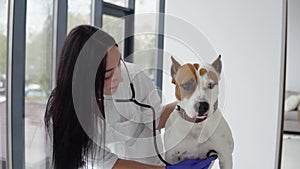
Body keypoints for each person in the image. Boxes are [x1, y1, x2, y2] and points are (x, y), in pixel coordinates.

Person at [44, 24, 215, 169]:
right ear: (84, 79)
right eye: (108, 75)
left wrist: (190, 105)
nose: (120, 76)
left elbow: (155, 119)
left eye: (119, 63)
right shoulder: (67, 115)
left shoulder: (135, 78)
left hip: (152, 162)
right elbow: (110, 163)